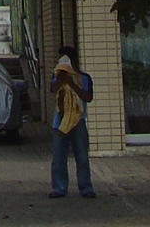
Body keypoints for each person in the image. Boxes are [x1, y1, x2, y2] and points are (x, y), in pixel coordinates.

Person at [50, 46, 95, 199]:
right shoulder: (57, 77)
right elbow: (53, 89)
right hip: (60, 122)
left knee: (82, 155)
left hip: (78, 121)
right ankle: (59, 186)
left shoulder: (84, 78)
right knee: (58, 157)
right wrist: (62, 78)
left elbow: (87, 97)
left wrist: (73, 84)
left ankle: (85, 186)